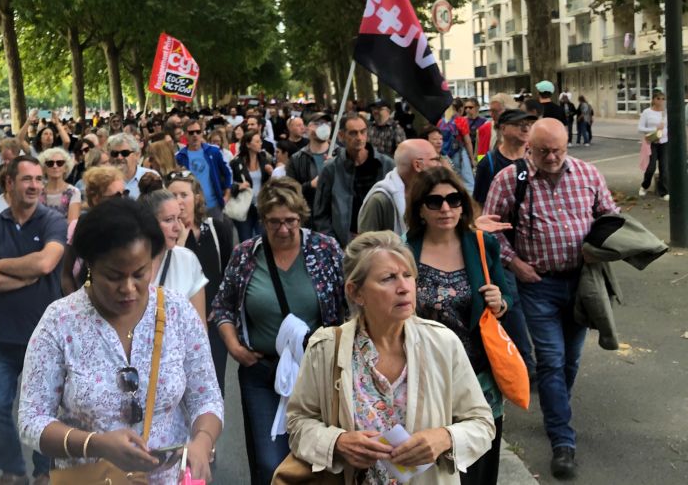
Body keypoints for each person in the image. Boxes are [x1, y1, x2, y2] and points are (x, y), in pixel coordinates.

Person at [17, 198, 224, 484]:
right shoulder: (60, 321)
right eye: (114, 276)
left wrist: (203, 441)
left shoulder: (177, 312)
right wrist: (94, 444)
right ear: (89, 266)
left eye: (140, 274)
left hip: (169, 478)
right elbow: (31, 420)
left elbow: (207, 397)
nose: (129, 288)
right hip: (91, 477)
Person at [284, 231, 495, 485]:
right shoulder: (326, 348)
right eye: (388, 278)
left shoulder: (442, 343)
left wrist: (445, 438)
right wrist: (336, 443)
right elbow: (297, 424)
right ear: (356, 292)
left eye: (408, 276)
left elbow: (482, 424)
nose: (404, 287)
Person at [483, 119, 619, 479]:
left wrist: (597, 247)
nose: (552, 157)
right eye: (544, 151)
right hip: (538, 284)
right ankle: (563, 441)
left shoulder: (588, 174)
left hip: (581, 284)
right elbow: (490, 230)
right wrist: (516, 265)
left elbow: (610, 217)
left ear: (567, 145)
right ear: (530, 147)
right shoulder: (511, 180)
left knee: (571, 359)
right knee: (552, 361)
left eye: (558, 150)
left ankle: (558, 410)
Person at [212, 178, 345, 485]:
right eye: (274, 223)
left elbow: (347, 304)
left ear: (301, 218)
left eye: (290, 221)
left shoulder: (325, 250)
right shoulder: (246, 254)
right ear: (262, 221)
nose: (283, 230)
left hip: (316, 371)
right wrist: (234, 347)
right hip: (262, 371)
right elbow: (222, 306)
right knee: (270, 461)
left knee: (316, 458)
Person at [406, 167, 512, 485]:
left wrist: (500, 301)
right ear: (420, 210)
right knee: (435, 467)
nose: (446, 208)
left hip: (478, 376)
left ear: (464, 204)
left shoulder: (481, 243)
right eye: (434, 202)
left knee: (479, 464)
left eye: (454, 199)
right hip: (426, 380)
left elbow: (506, 295)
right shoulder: (404, 249)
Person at [0, 155, 68, 485]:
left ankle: (45, 471)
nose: (36, 186)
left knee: (44, 412)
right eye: (28, 179)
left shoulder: (52, 221)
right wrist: (18, 275)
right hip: (1, 338)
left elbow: (44, 265)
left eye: (40, 179)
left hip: (45, 338)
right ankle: (12, 469)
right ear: (9, 183)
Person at [164, 170, 234, 395]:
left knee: (212, 388)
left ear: (197, 197)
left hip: (212, 322)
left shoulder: (216, 229)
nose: (178, 201)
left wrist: (220, 307)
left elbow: (229, 273)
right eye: (172, 195)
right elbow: (170, 273)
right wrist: (180, 240)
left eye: (183, 194)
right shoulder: (163, 235)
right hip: (175, 324)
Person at [312, 114, 394, 245]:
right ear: (341, 135)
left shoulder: (386, 165)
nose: (359, 138)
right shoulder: (330, 169)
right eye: (353, 133)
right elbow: (321, 214)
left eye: (363, 132)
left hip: (383, 241)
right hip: (346, 244)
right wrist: (335, 244)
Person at [139, 188, 207, 323]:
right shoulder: (127, 262)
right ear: (149, 222)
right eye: (169, 220)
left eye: (179, 218)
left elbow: (200, 330)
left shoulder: (187, 260)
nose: (178, 227)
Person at [61, 166, 127, 294]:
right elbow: (66, 274)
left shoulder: (131, 227)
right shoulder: (79, 226)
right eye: (116, 196)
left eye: (125, 193)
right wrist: (76, 307)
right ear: (96, 199)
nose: (123, 200)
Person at [356, 139, 442, 239]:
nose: (439, 165)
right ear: (417, 165)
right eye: (435, 160)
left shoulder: (433, 193)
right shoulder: (380, 200)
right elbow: (365, 248)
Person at [175, 118, 232, 218]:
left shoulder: (213, 152)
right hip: (193, 208)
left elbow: (227, 174)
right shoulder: (180, 157)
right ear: (185, 135)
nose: (195, 135)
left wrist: (227, 195)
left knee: (218, 233)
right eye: (191, 132)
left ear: (202, 133)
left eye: (198, 132)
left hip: (214, 206)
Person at [229, 130, 275, 241]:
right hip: (244, 206)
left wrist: (271, 173)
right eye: (257, 141)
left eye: (260, 141)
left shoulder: (264, 159)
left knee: (262, 239)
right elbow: (227, 185)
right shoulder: (236, 162)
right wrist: (239, 186)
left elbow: (269, 183)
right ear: (248, 144)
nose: (261, 144)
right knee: (246, 240)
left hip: (261, 206)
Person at [285, 112, 332, 210]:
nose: (323, 127)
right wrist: (310, 185)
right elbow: (289, 191)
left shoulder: (340, 155)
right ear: (307, 129)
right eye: (317, 124)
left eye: (326, 124)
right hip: (309, 215)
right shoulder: (297, 159)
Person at [437, 100, 474, 194]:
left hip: (444, 155)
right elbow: (467, 141)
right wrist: (472, 158)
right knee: (468, 180)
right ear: (461, 109)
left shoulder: (441, 121)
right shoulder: (461, 120)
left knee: (451, 179)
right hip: (458, 153)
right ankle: (469, 203)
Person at [638, 88, 669, 201]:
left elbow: (669, 127)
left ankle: (664, 192)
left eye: (663, 99)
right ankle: (644, 186)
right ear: (653, 100)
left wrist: (665, 133)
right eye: (658, 98)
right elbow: (640, 128)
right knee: (651, 168)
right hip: (652, 142)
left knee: (664, 168)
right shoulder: (647, 112)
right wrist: (654, 129)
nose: (661, 101)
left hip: (664, 142)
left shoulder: (666, 112)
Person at [39, 147, 82, 224]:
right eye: (50, 163)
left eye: (60, 163)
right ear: (44, 168)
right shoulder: (38, 191)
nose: (55, 166)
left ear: (65, 168)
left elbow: (72, 223)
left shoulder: (73, 192)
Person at [108, 133, 156, 200]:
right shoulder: (105, 180)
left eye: (125, 153)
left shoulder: (151, 176)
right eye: (115, 153)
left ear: (137, 155)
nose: (119, 157)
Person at [475, 92, 511, 162]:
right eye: (491, 111)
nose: (491, 115)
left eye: (495, 111)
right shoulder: (483, 129)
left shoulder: (514, 130)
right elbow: (478, 156)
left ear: (506, 111)